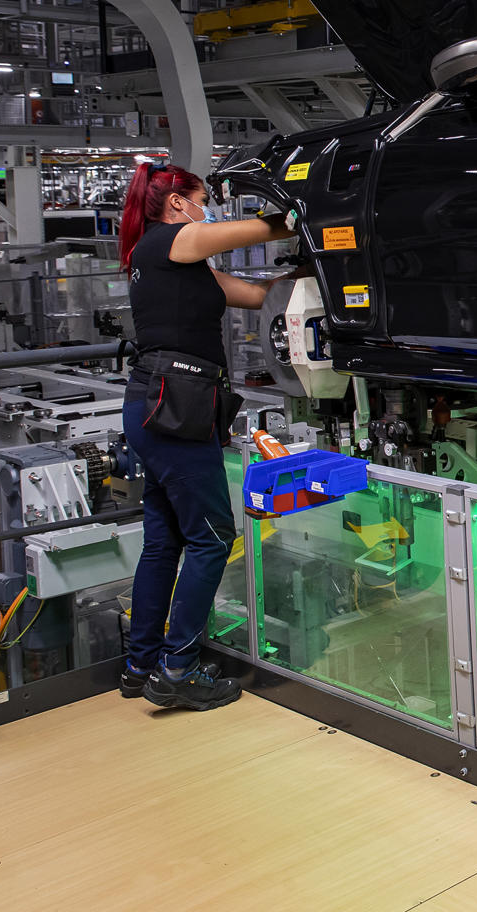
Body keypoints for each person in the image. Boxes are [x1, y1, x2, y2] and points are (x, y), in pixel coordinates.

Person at [114, 162, 295, 711]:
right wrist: (305, 216)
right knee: (214, 536)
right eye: (202, 199)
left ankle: (142, 663)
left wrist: (309, 274)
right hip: (176, 410)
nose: (209, 209)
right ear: (177, 205)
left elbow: (257, 296)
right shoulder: (174, 240)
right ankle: (178, 670)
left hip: (156, 408)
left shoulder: (171, 265)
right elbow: (267, 228)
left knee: (166, 541)